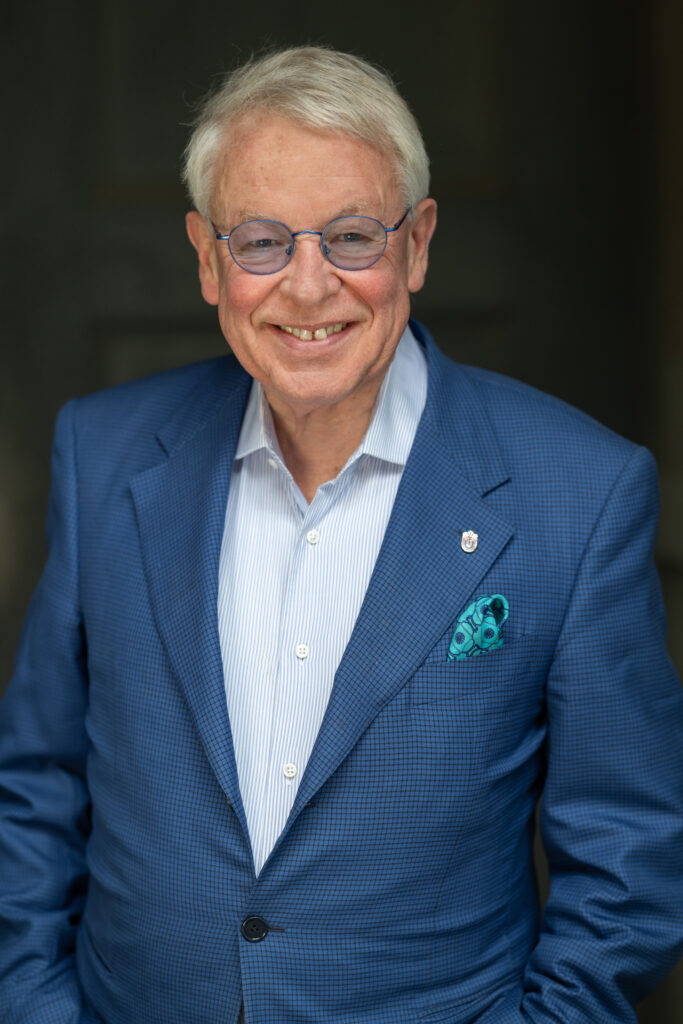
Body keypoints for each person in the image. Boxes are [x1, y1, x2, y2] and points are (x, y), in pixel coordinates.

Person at [1, 45, 682, 1024]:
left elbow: (626, 853)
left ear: (417, 244)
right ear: (206, 257)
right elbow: (37, 784)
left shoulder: (576, 491)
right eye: (261, 242)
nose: (308, 285)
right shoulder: (99, 456)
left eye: (353, 236)